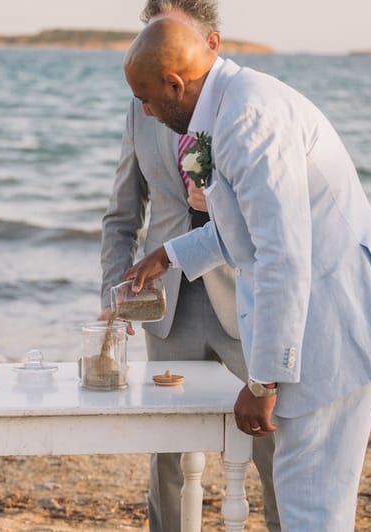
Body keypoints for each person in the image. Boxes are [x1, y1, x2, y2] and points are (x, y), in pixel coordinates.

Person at [121, 18, 371, 531]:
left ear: (176, 84)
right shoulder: (230, 103)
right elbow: (248, 228)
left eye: (146, 98)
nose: (145, 111)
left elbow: (282, 256)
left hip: (333, 325)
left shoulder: (249, 120)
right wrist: (170, 255)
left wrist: (262, 381)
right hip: (317, 318)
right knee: (306, 499)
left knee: (309, 504)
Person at [100, 2, 278, 531]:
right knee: (169, 454)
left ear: (207, 43)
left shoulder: (244, 106)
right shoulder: (142, 108)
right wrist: (114, 293)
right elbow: (122, 212)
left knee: (272, 442)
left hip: (241, 298)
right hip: (167, 305)